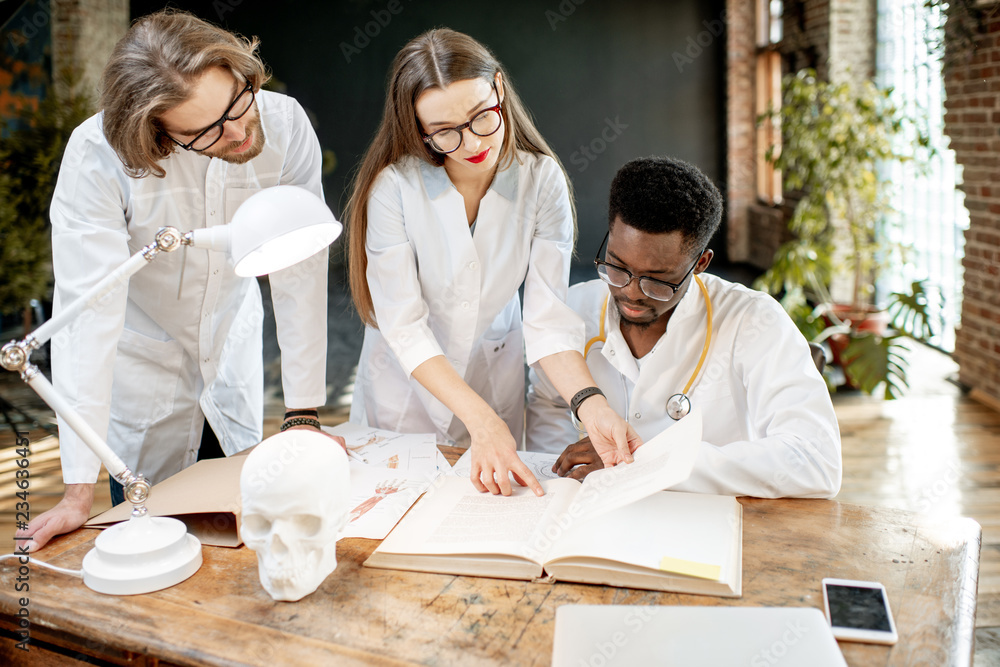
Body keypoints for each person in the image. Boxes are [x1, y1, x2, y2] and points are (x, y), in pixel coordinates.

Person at [18, 10, 335, 552]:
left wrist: (302, 413)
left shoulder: (281, 125)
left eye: (238, 99)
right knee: (152, 541)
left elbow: (298, 270)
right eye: (207, 130)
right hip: (142, 375)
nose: (238, 131)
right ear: (156, 135)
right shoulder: (98, 159)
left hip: (229, 347)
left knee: (240, 534)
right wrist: (77, 490)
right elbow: (87, 314)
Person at [345, 28, 639, 497]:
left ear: (499, 88)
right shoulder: (394, 189)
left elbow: (546, 319)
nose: (470, 142)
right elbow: (403, 326)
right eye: (444, 131)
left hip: (492, 368)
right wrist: (479, 417)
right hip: (406, 390)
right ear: (418, 129)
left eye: (481, 116)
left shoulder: (541, 181)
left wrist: (592, 406)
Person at [525, 156, 842, 498]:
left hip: (706, 522)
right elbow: (549, 404)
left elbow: (815, 461)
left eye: (657, 281)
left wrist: (649, 465)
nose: (631, 291)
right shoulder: (572, 311)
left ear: (700, 263)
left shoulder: (753, 319)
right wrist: (560, 487)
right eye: (617, 267)